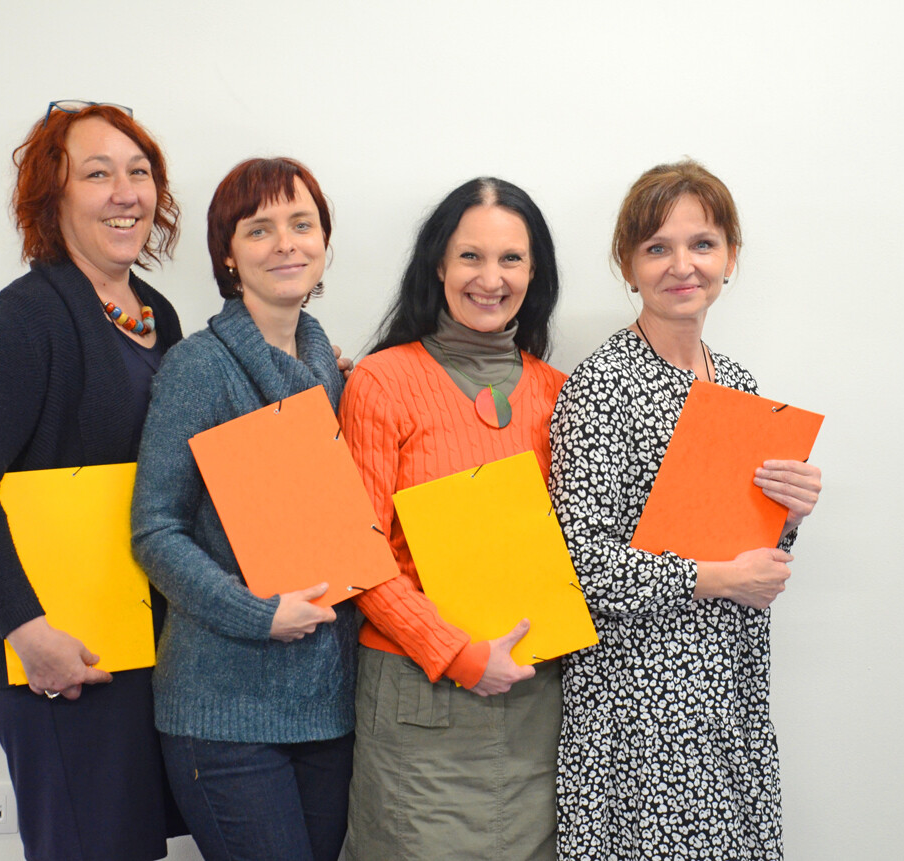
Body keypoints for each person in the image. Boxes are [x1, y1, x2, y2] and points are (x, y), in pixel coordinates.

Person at [0, 100, 186, 861]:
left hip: (135, 639)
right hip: (61, 653)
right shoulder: (30, 314)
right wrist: (28, 632)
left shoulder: (156, 314)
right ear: (54, 196)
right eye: (98, 174)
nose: (126, 193)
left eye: (139, 172)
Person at [548, 159, 823, 860]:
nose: (682, 265)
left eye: (702, 243)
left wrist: (788, 516)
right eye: (657, 247)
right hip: (639, 703)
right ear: (627, 264)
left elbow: (746, 547)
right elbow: (578, 565)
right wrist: (721, 578)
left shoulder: (737, 384)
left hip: (728, 689)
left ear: (730, 256)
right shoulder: (602, 385)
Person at [130, 157, 355, 861]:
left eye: (302, 224)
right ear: (228, 255)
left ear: (324, 242)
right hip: (224, 713)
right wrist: (257, 613)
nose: (286, 243)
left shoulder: (335, 371)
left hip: (328, 709)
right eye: (259, 229)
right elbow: (155, 529)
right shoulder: (199, 366)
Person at [338, 177, 567, 860]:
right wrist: (460, 655)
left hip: (536, 704)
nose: (490, 279)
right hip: (421, 702)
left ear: (534, 273)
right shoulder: (380, 381)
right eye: (470, 256)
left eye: (511, 259)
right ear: (438, 264)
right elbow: (359, 556)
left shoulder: (559, 393)